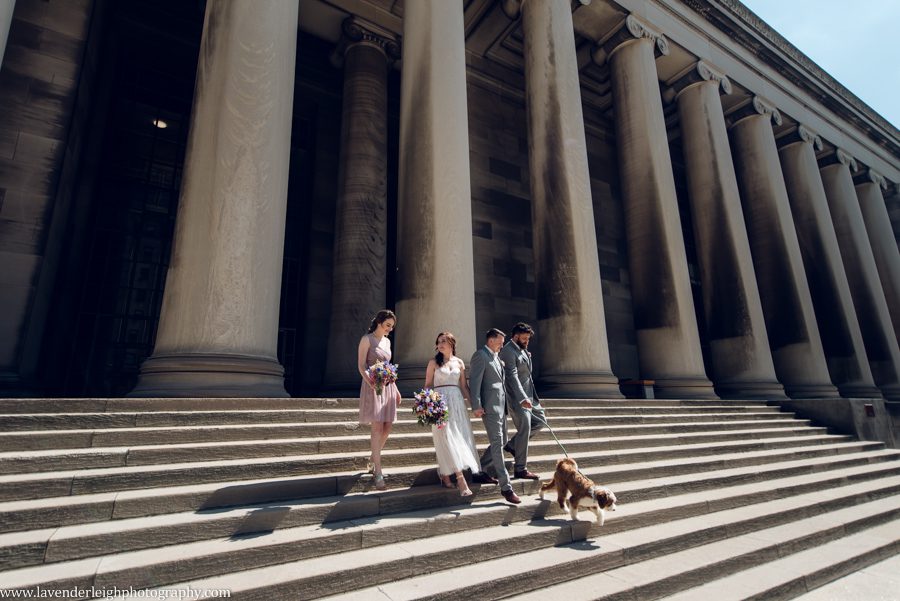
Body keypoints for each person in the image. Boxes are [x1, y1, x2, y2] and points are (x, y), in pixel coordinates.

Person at [469, 328, 521, 504]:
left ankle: (479, 470)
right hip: (490, 408)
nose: (501, 345)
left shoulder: (496, 357)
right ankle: (506, 488)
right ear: (491, 341)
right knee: (498, 444)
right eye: (499, 342)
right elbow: (475, 382)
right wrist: (476, 405)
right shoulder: (480, 356)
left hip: (501, 406)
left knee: (503, 440)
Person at [424, 332, 479, 497]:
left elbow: (464, 387)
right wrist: (427, 406)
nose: (440, 344)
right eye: (439, 341)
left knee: (456, 438)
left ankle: (445, 474)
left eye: (444, 341)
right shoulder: (433, 363)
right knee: (446, 438)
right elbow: (427, 385)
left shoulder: (459, 362)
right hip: (440, 403)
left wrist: (474, 406)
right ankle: (460, 479)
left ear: (452, 344)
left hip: (457, 404)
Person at [358, 309, 401, 491]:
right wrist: (372, 383)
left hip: (388, 386)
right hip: (373, 385)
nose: (389, 329)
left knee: (387, 427)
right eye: (387, 325)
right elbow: (361, 366)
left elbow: (389, 367)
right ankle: (378, 472)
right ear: (379, 323)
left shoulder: (388, 341)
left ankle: (372, 458)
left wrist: (396, 389)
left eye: (391, 327)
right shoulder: (366, 339)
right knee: (376, 427)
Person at [499, 322, 543, 481]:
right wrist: (522, 397)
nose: (527, 342)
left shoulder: (521, 350)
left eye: (528, 339)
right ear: (515, 336)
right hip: (517, 397)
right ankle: (520, 469)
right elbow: (512, 376)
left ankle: (512, 445)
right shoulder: (508, 351)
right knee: (525, 426)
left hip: (531, 396)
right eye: (524, 339)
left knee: (540, 422)